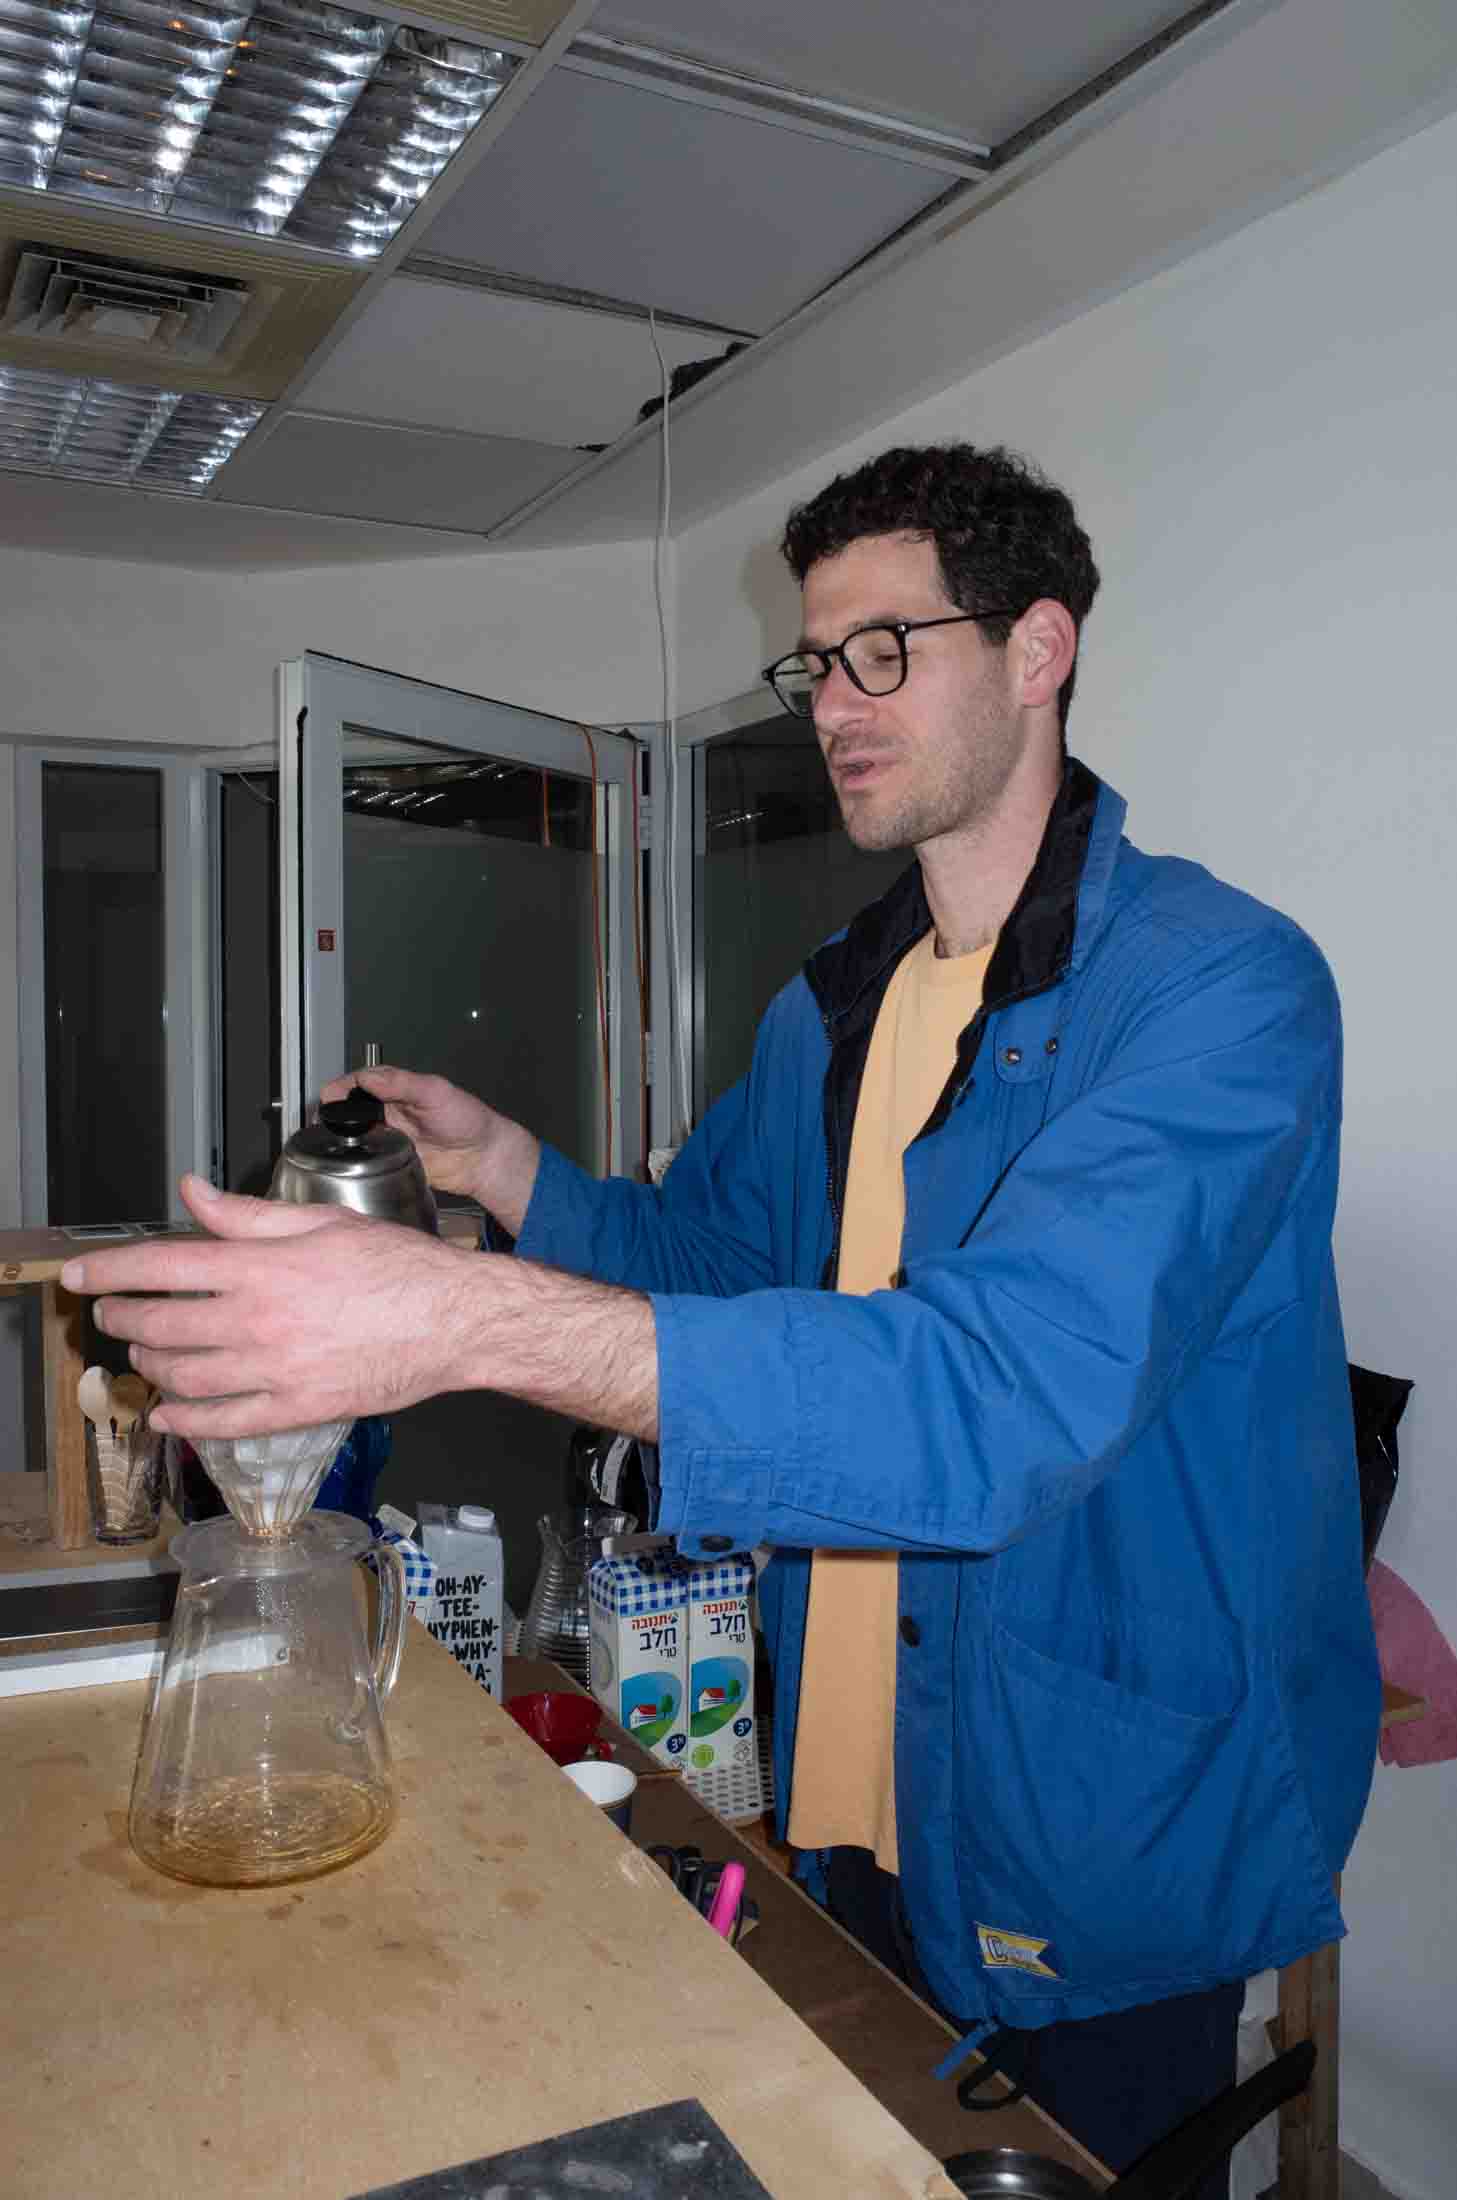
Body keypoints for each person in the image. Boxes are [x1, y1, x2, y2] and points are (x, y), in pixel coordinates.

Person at [66, 443, 1379, 2189]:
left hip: (1092, 1803)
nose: (832, 702)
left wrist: (463, 1318)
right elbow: (710, 1262)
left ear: (1038, 648)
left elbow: (1001, 1395)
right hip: (843, 1757)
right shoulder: (836, 1001)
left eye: (883, 649)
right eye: (815, 661)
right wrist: (507, 1172)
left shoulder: (1216, 988)